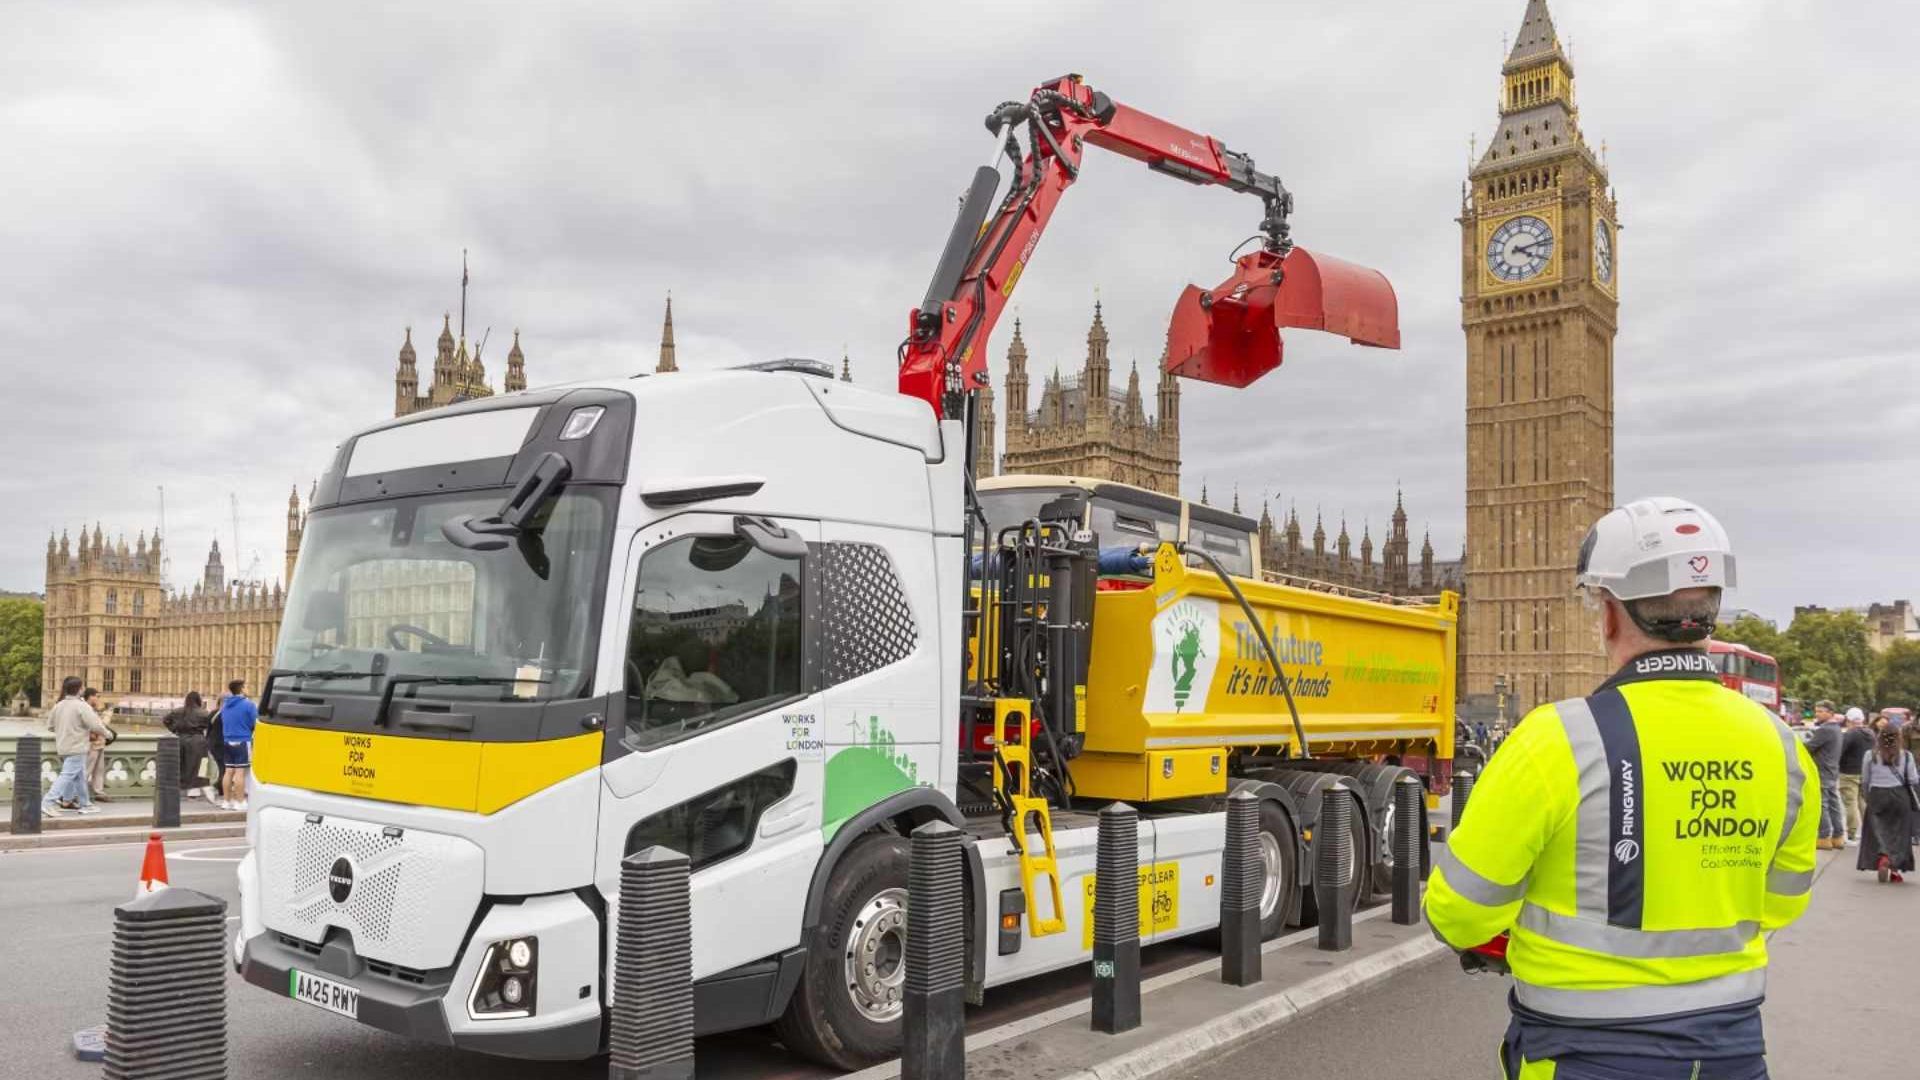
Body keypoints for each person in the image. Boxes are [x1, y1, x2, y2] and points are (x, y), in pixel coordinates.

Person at [1427, 497, 1818, 1080]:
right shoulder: (1782, 747)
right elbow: (1783, 901)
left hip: (1586, 1056)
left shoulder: (1557, 739)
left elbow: (1459, 911)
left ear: (1608, 614)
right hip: (1729, 1054)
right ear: (1711, 610)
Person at [1857, 728, 1919, 883]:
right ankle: (1895, 869)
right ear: (1899, 738)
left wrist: (1867, 795)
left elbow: (1865, 779)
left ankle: (1882, 856)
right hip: (1900, 795)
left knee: (1877, 830)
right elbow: (1913, 779)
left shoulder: (1870, 755)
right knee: (1899, 834)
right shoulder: (1907, 756)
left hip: (1877, 794)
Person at [42, 677, 111, 816]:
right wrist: (108, 734)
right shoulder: (82, 705)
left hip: (62, 746)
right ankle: (47, 803)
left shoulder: (59, 705)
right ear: (79, 689)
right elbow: (95, 725)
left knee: (79, 776)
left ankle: (85, 804)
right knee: (66, 776)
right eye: (83, 686)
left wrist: (66, 730)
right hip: (77, 747)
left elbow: (50, 726)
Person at [1805, 701, 1845, 849]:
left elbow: (1809, 747)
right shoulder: (1836, 729)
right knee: (1834, 805)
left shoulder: (1825, 729)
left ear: (1830, 712)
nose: (1817, 714)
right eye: (1816, 711)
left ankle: (1824, 837)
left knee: (1823, 805)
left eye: (1821, 711)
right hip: (1832, 771)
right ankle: (1838, 836)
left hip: (1822, 771)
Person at [162, 691, 214, 801]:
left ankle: (187, 788)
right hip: (198, 740)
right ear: (198, 700)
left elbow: (165, 720)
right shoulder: (204, 713)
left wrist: (174, 730)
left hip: (181, 739)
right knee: (201, 765)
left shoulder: (177, 711)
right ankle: (196, 789)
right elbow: (211, 725)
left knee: (185, 764)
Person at [217, 679, 257, 811]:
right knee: (239, 773)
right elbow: (256, 723)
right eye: (247, 686)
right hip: (242, 740)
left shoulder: (225, 706)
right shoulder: (248, 705)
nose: (249, 689)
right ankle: (240, 802)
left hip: (227, 740)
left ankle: (226, 801)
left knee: (228, 772)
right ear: (242, 689)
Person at [1838, 708, 1875, 844]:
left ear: (1849, 720)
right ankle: (1869, 832)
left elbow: (1840, 752)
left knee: (1850, 803)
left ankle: (1852, 834)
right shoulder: (1870, 733)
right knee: (1863, 803)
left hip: (1848, 772)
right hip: (1865, 772)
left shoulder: (1850, 734)